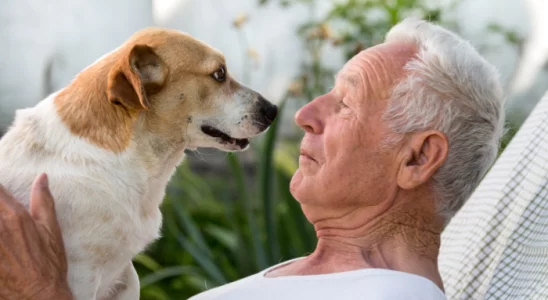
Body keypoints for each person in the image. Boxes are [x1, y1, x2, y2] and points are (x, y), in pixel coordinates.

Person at [0, 18, 504, 300]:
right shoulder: (315, 278)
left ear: (417, 158)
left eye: (345, 102)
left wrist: (41, 293)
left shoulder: (389, 297)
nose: (305, 113)